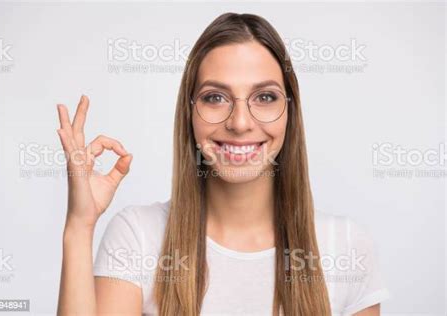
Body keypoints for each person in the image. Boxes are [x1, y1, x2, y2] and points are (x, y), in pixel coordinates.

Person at [56, 12, 391, 316]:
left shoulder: (346, 246)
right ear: (189, 112)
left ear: (291, 111)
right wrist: (79, 225)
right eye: (215, 97)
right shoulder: (138, 236)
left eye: (265, 97)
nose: (240, 122)